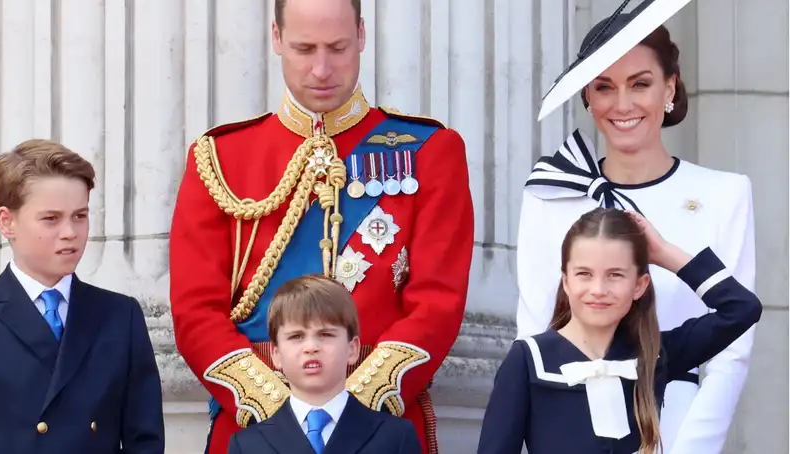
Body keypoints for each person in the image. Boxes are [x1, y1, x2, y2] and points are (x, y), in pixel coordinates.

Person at [168, 0, 474, 452]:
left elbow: (438, 303)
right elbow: (195, 310)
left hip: (378, 427)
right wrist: (282, 412)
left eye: (338, 48)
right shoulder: (220, 158)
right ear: (276, 38)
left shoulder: (430, 151)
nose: (322, 69)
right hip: (256, 428)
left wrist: (348, 410)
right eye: (304, 48)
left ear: (362, 35)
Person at [516, 7, 757, 453]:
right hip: (570, 421)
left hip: (677, 422)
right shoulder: (549, 195)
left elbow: (732, 354)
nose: (622, 104)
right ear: (587, 96)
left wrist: (690, 450)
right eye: (604, 87)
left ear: (670, 87)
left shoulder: (725, 194)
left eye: (640, 84)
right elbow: (533, 335)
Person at [480, 208, 762, 454]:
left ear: (639, 285)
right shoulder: (528, 361)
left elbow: (742, 309)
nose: (598, 290)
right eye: (584, 274)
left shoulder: (655, 355)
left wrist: (664, 253)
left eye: (615, 275)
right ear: (565, 281)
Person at [0, 140, 164, 454]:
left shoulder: (120, 316)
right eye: (51, 219)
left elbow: (145, 440)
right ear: (7, 222)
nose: (70, 232)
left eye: (80, 216)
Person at [226, 274, 422, 454]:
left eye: (325, 334)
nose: (311, 347)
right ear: (276, 354)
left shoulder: (396, 436)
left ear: (352, 348)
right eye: (296, 336)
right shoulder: (247, 445)